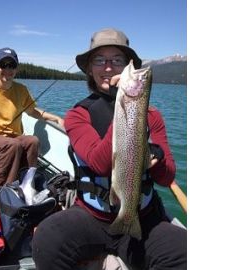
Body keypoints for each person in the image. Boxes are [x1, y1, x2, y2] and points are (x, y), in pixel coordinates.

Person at [32, 28, 187, 269]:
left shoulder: (152, 116)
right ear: (90, 69)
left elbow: (167, 178)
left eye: (117, 61)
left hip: (142, 217)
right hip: (93, 216)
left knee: (184, 251)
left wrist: (158, 156)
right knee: (46, 239)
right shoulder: (77, 115)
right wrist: (123, 105)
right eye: (99, 60)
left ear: (127, 68)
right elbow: (99, 163)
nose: (108, 67)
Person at [0, 47, 64, 202]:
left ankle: (27, 184)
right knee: (12, 144)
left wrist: (56, 119)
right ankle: (1, 192)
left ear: (16, 68)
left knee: (32, 141)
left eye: (11, 65)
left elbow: (33, 111)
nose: (7, 70)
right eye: (3, 65)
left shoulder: (21, 90)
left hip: (11, 140)